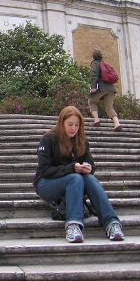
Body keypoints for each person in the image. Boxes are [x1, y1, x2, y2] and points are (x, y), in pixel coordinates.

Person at [34, 105, 125, 243]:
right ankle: (73, 225)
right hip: (46, 184)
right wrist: (72, 168)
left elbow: (90, 164)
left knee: (88, 177)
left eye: (77, 125)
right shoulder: (48, 139)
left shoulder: (81, 140)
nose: (73, 128)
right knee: (75, 177)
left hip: (75, 182)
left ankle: (112, 223)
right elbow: (44, 171)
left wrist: (88, 168)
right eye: (70, 124)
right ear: (61, 123)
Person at [89, 49, 122, 131]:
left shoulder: (95, 63)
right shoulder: (105, 64)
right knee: (109, 107)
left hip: (101, 87)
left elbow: (94, 75)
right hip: (111, 88)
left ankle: (96, 120)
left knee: (91, 102)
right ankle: (117, 123)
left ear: (93, 57)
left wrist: (93, 87)